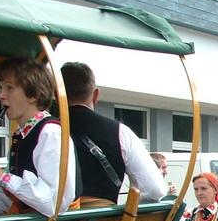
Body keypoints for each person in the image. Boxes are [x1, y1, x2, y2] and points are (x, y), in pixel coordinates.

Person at [0, 58, 77, 216]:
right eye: (1, 88)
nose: (1, 95)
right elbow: (6, 203)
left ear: (33, 95)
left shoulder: (51, 134)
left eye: (9, 88)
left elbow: (53, 203)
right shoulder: (22, 135)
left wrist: (1, 175)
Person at [60, 62, 166, 207]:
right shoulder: (121, 132)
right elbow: (155, 190)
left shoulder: (47, 131)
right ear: (96, 95)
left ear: (56, 94)